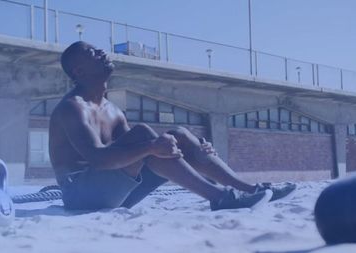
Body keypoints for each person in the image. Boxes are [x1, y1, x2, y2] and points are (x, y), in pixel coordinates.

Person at [49, 41, 295, 211]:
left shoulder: (112, 109)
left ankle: (249, 189)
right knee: (147, 138)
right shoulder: (73, 107)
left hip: (116, 194)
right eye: (93, 52)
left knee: (177, 136)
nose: (102, 52)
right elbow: (99, 160)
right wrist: (152, 146)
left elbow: (135, 155)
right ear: (79, 70)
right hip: (80, 195)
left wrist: (193, 150)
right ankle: (219, 197)